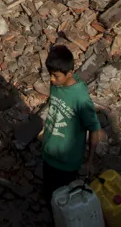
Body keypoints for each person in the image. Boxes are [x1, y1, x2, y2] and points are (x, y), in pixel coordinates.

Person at [38, 45, 102, 203]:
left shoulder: (81, 99)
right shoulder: (56, 85)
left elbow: (94, 129)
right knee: (49, 192)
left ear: (69, 74)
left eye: (56, 76)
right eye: (50, 75)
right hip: (49, 153)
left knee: (63, 199)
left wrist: (90, 161)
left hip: (67, 162)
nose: (52, 79)